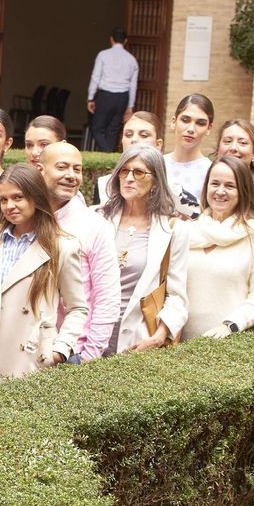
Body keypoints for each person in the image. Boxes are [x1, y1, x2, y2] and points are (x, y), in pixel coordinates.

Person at [0, 163, 88, 374]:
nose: (10, 206)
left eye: (18, 197)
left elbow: (77, 308)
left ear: (36, 197)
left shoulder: (62, 246)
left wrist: (59, 350)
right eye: (3, 199)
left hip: (29, 357)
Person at [180, 155, 254, 341]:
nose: (220, 191)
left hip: (230, 344)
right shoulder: (187, 231)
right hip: (179, 345)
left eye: (229, 186)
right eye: (215, 184)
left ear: (243, 190)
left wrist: (230, 326)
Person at [101, 145, 188, 354]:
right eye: (124, 171)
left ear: (156, 181)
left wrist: (158, 337)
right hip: (92, 336)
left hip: (138, 341)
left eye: (138, 172)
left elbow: (177, 296)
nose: (129, 178)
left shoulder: (173, 230)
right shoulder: (97, 219)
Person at [38, 141, 119, 360]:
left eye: (77, 169)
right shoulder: (25, 220)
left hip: (74, 352)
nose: (72, 175)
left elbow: (107, 298)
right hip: (25, 351)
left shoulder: (95, 225)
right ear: (40, 170)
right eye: (62, 167)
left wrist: (88, 356)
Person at [86, 26, 139, 152]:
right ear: (125, 41)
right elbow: (133, 85)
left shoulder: (103, 55)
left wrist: (90, 98)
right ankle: (109, 155)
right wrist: (130, 106)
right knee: (113, 129)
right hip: (123, 97)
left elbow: (95, 77)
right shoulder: (132, 60)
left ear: (111, 39)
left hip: (106, 95)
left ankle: (107, 152)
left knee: (97, 128)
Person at [95, 110, 163, 204]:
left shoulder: (172, 188)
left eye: (143, 135)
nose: (134, 140)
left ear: (158, 144)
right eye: (128, 135)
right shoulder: (104, 185)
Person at [163, 93, 214, 210]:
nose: (191, 129)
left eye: (200, 123)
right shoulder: (157, 164)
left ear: (209, 128)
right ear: (173, 122)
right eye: (185, 120)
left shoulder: (211, 171)